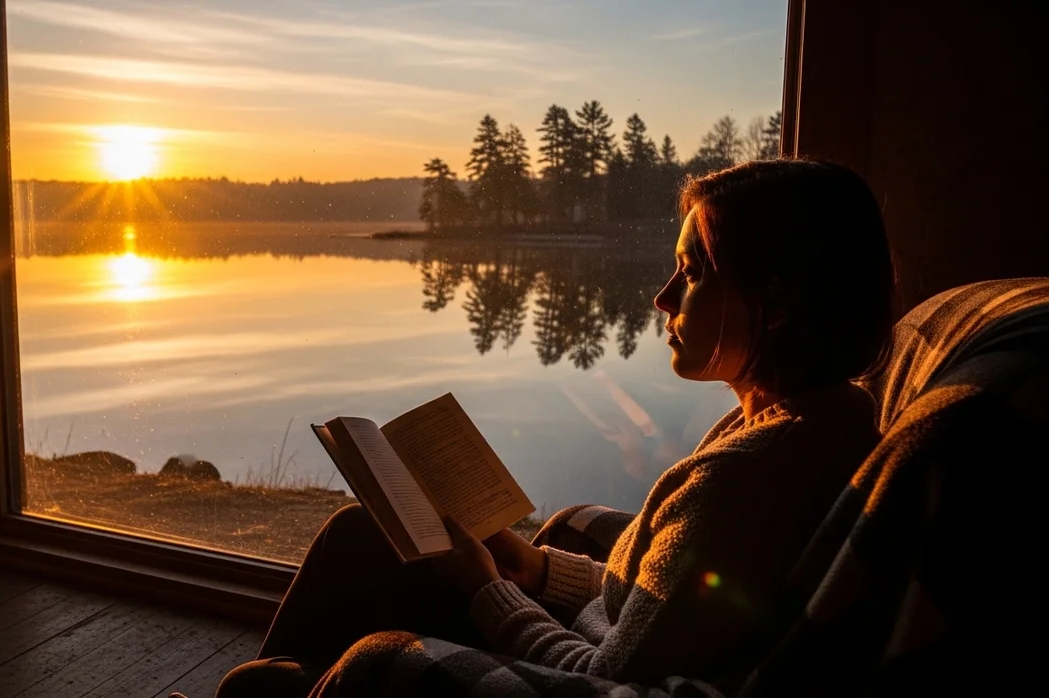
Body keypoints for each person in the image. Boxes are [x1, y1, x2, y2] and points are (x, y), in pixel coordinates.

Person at [206, 158, 896, 698]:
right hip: (584, 629)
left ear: (777, 302)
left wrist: (489, 590)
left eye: (691, 272)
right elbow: (662, 604)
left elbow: (606, 677)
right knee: (362, 535)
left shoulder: (750, 479)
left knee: (257, 686)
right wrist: (535, 568)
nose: (662, 297)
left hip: (569, 669)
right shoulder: (816, 415)